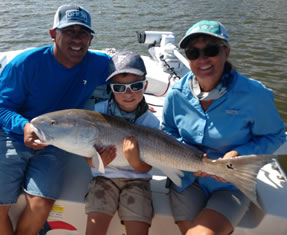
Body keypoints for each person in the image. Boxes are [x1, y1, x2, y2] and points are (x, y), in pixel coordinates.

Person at [0, 4, 110, 235]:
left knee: (41, 204)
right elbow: (2, 107)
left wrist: (139, 105)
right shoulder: (24, 64)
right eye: (69, 32)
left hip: (59, 140)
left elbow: (129, 75)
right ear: (53, 34)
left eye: (83, 33)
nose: (77, 39)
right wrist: (23, 126)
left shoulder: (100, 64)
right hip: (14, 135)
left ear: (91, 39)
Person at [161, 20, 286, 235]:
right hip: (187, 179)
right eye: (193, 53)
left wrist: (239, 155)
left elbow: (275, 136)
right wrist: (189, 157)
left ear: (226, 52)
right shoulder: (176, 93)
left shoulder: (255, 94)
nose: (202, 59)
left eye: (210, 50)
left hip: (231, 183)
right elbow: (167, 132)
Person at [84, 51, 160, 235]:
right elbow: (88, 156)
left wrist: (134, 161)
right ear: (110, 88)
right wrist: (99, 160)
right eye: (119, 88)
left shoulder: (150, 122)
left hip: (137, 181)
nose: (128, 94)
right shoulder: (98, 112)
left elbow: (146, 168)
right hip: (103, 179)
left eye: (136, 86)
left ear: (146, 85)